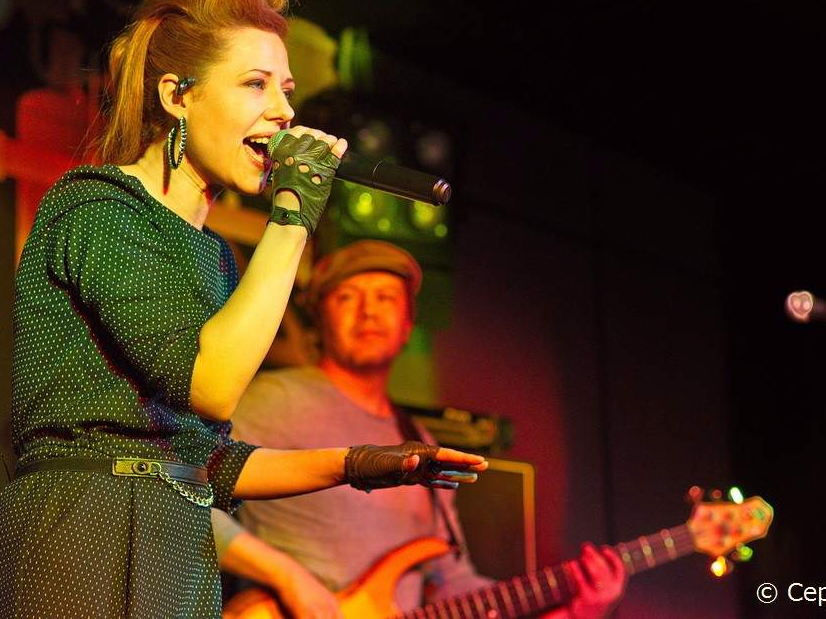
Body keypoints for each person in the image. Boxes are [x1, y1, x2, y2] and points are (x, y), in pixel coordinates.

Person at [0, 0, 486, 619]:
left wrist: (359, 464)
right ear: (177, 96)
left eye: (287, 90)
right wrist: (295, 212)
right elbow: (210, 385)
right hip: (80, 533)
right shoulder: (97, 209)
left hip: (174, 547)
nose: (284, 112)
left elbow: (209, 460)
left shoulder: (217, 256)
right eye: (255, 85)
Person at [214, 240, 627, 619]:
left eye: (385, 298)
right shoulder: (274, 400)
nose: (368, 311)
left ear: (408, 325)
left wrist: (576, 609)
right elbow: (186, 492)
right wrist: (288, 577)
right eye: (347, 297)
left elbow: (452, 583)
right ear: (320, 318)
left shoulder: (420, 443)